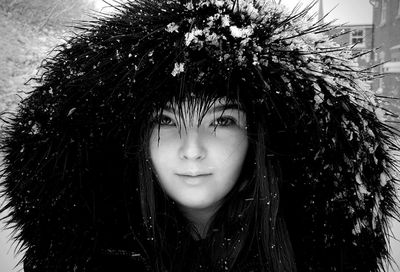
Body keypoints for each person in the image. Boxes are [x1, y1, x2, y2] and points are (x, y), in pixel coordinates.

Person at [0, 0, 399, 271]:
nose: (192, 151)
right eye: (167, 122)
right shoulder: (80, 253)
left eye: (222, 122)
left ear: (257, 139)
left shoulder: (316, 253)